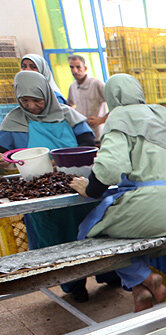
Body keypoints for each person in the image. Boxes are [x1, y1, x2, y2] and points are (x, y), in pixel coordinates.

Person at [69, 74, 166, 312]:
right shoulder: (165, 114)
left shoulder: (120, 117)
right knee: (134, 228)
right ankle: (139, 291)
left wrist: (91, 189)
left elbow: (109, 168)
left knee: (89, 232)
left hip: (156, 208)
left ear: (113, 97)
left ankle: (145, 279)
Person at [0, 70, 105, 301]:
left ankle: (109, 276)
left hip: (77, 189)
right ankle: (74, 286)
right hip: (40, 195)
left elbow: (88, 143)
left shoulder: (67, 115)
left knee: (91, 234)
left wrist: (68, 160)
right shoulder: (13, 122)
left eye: (37, 100)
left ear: (47, 95)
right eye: (25, 101)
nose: (32, 106)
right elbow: (3, 151)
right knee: (56, 240)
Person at [67, 54, 107, 139]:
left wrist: (101, 120)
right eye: (72, 67)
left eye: (78, 67)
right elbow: (68, 106)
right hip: (83, 133)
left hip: (99, 133)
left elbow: (116, 104)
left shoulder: (96, 84)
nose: (75, 71)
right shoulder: (73, 87)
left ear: (85, 68)